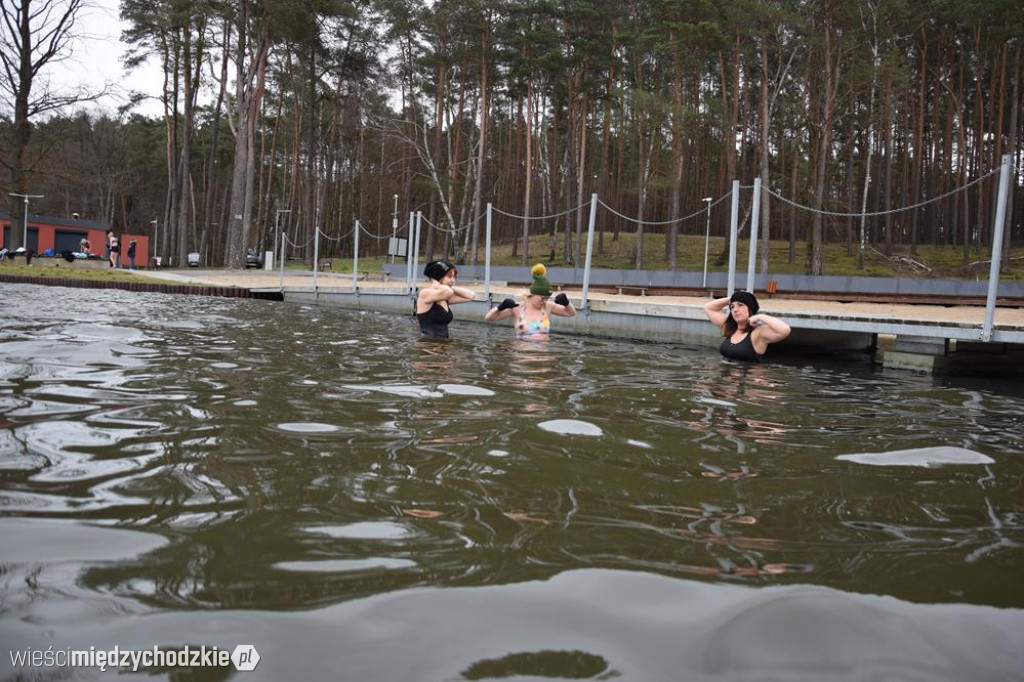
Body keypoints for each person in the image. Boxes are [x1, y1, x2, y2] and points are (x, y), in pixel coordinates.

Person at [484, 263, 575, 339]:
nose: (544, 301)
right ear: (532, 294)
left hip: (542, 355)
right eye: (543, 298)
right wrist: (500, 307)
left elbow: (570, 313)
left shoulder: (548, 306)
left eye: (547, 298)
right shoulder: (517, 308)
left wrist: (566, 303)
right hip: (522, 354)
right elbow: (489, 318)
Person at [704, 290, 790, 361]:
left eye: (740, 305)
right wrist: (733, 298)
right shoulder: (729, 327)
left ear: (750, 309)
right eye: (732, 307)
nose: (735, 310)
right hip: (725, 378)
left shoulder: (758, 333)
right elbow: (708, 308)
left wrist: (761, 316)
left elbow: (785, 330)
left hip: (746, 379)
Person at [415, 260, 476, 338]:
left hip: (442, 345)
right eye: (449, 276)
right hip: (428, 346)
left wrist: (448, 286)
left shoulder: (445, 297)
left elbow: (471, 296)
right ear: (439, 276)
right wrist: (437, 283)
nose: (453, 280)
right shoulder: (425, 294)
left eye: (454, 277)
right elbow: (448, 292)